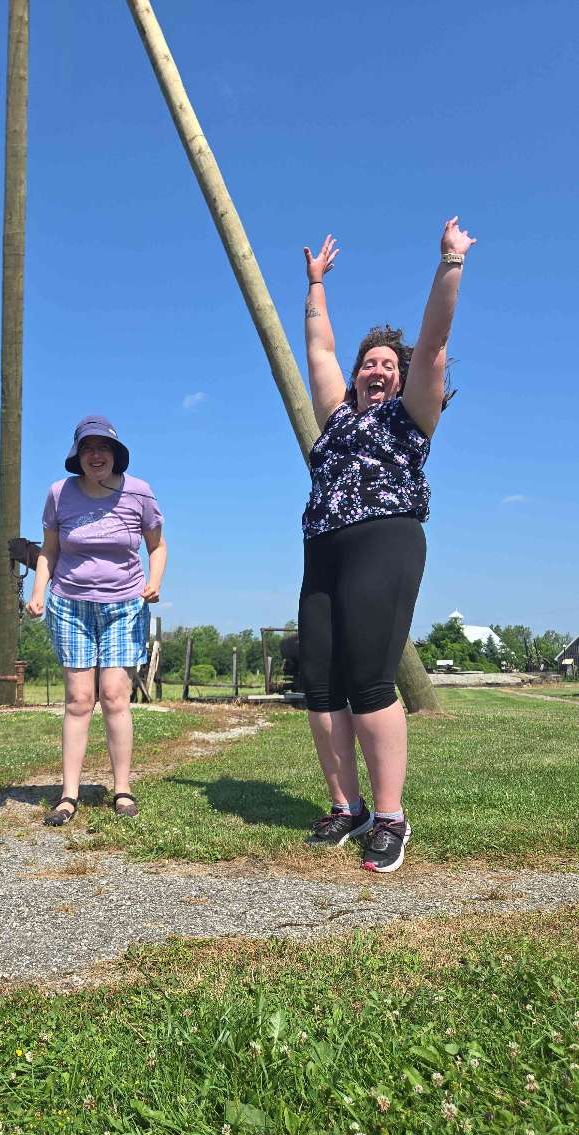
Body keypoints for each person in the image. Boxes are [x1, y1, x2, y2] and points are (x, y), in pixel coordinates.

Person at [300, 217, 476, 871]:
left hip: (386, 540)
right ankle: (346, 807)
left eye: (385, 366)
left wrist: (449, 263)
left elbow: (432, 343)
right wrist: (316, 286)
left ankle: (391, 816)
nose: (375, 370)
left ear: (400, 380)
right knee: (320, 682)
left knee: (371, 678)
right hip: (323, 545)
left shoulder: (412, 416)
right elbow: (319, 353)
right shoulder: (337, 417)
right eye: (367, 364)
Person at [26, 415, 166, 826]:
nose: (96, 455)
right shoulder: (58, 494)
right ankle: (68, 794)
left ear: (115, 453)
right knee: (78, 699)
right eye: (87, 448)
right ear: (77, 455)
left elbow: (157, 547)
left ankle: (122, 789)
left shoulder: (139, 493)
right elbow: (48, 550)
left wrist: (154, 581)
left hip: (124, 603)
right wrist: (38, 592)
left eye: (103, 447)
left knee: (115, 695)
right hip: (70, 604)